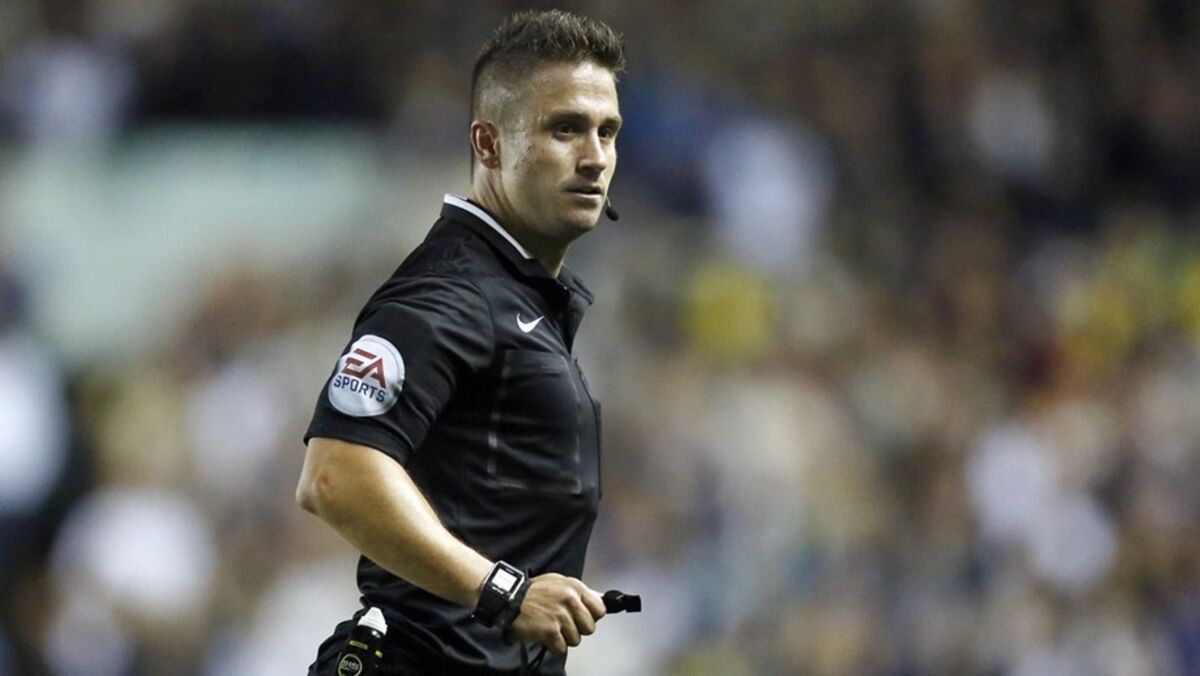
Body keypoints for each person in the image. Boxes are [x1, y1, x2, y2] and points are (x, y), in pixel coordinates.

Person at [295, 9, 625, 675]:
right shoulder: (451, 292)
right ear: (488, 144)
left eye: (607, 131)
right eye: (565, 129)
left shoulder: (518, 298)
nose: (594, 157)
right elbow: (335, 474)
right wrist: (504, 592)